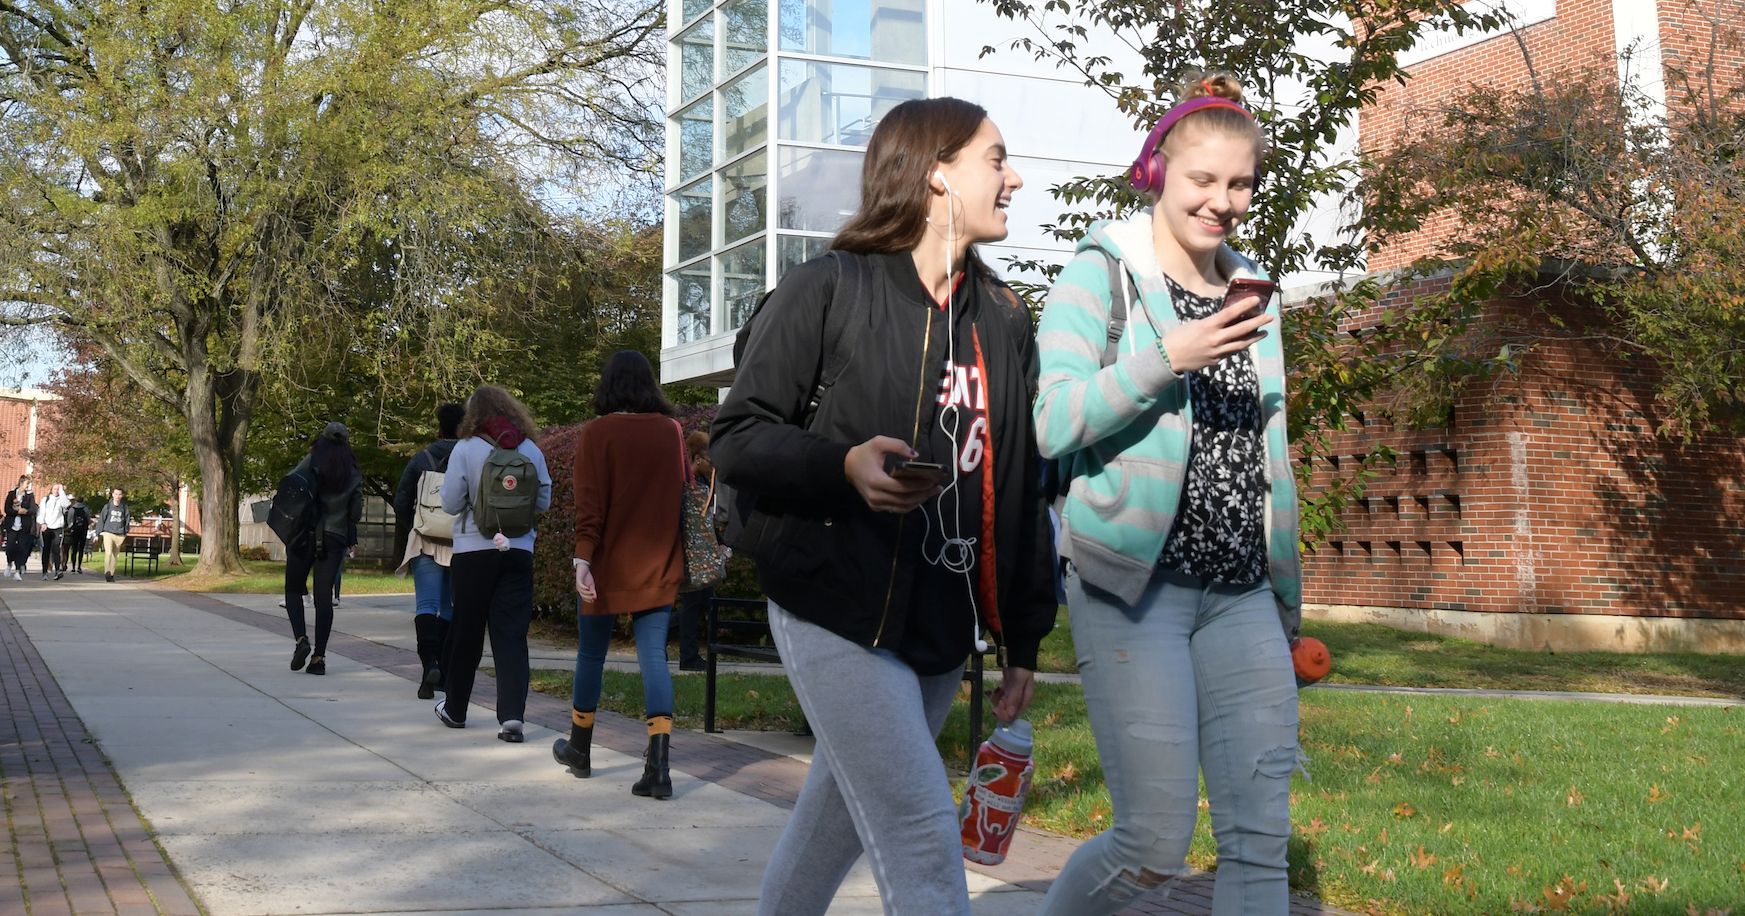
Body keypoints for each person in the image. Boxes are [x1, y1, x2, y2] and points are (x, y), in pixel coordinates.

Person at [710, 97, 1058, 914]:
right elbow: (736, 434)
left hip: (938, 621)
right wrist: (843, 463)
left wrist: (1023, 635)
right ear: (937, 173)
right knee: (920, 829)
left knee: (831, 827)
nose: (1014, 178)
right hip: (833, 600)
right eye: (996, 158)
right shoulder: (827, 286)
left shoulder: (1002, 318)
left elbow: (1018, 483)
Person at [1030, 73, 1303, 916]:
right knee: (1151, 843)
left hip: (1240, 592)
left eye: (1240, 183)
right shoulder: (1097, 274)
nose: (1222, 201)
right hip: (1131, 585)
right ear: (1156, 172)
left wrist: (1286, 592)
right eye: (1202, 180)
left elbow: (1270, 448)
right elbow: (1052, 422)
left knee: (1259, 842)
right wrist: (1166, 357)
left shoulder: (1255, 290)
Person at [552, 351, 685, 795]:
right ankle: (660, 768)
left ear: (607, 386)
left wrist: (583, 560)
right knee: (654, 657)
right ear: (650, 385)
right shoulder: (672, 432)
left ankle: (581, 749)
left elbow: (589, 507)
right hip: (660, 564)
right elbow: (682, 493)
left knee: (592, 655)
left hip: (607, 568)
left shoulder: (598, 433)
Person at [435, 385, 552, 742]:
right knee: (511, 634)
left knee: (467, 631)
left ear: (475, 415)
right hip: (518, 551)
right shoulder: (530, 449)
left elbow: (452, 504)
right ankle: (512, 718)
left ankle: (455, 709)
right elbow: (544, 500)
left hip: (474, 551)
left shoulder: (466, 448)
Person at [393, 402, 466, 699]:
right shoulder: (469, 460)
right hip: (460, 543)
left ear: (439, 428)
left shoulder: (420, 460)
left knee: (426, 606)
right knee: (449, 609)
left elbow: (400, 503)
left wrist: (417, 524)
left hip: (425, 541)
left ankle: (429, 667)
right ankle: (445, 673)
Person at [283, 423, 364, 676]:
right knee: (323, 599)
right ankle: (319, 658)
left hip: (305, 533)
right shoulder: (353, 471)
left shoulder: (312, 460)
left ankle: (301, 640)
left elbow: (291, 482)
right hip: (335, 536)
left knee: (294, 588)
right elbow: (355, 513)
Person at [670, 430, 719, 672]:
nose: (713, 467)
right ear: (698, 459)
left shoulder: (701, 483)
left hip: (703, 554)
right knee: (692, 604)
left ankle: (660, 634)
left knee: (704, 603)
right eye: (711, 461)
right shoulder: (684, 484)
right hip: (691, 554)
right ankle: (688, 657)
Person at [3, 477, 35, 580]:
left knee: (21, 548)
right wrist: (17, 511)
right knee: (10, 547)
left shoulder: (29, 496)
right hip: (12, 525)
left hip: (23, 526)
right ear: (21, 483)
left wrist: (24, 511)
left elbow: (33, 510)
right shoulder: (12, 494)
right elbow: (7, 509)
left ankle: (17, 571)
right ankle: (9, 563)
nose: (28, 486)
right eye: (26, 483)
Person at [94, 488, 128, 582]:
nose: (117, 496)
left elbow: (127, 520)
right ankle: (107, 572)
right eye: (116, 494)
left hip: (120, 534)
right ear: (112, 495)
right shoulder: (108, 507)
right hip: (108, 532)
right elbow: (101, 520)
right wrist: (97, 534)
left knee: (115, 555)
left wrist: (125, 531)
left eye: (119, 494)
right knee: (108, 552)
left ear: (121, 496)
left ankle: (112, 574)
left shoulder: (124, 507)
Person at [36, 483, 69, 580]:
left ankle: (58, 571)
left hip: (57, 527)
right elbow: (40, 513)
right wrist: (42, 523)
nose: (56, 491)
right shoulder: (45, 500)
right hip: (47, 528)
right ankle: (44, 572)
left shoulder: (61, 500)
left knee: (56, 549)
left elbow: (66, 504)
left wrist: (62, 490)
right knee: (46, 550)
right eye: (54, 489)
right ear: (51, 489)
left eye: (58, 489)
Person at [67, 495, 91, 574]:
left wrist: (71, 527)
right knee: (81, 549)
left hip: (74, 530)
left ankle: (73, 567)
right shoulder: (86, 509)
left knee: (74, 549)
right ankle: (79, 566)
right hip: (83, 531)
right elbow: (88, 519)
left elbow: (69, 519)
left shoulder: (72, 509)